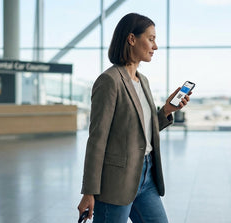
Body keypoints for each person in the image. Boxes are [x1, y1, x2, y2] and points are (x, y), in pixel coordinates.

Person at [77, 13, 191, 223]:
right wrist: (89, 191)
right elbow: (97, 140)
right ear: (131, 39)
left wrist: (166, 110)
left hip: (147, 177)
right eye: (151, 38)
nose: (155, 46)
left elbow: (142, 129)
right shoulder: (109, 81)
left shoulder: (143, 81)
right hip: (116, 181)